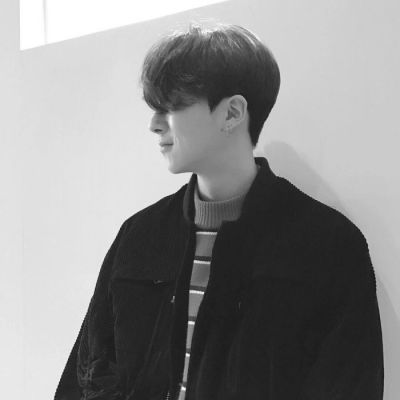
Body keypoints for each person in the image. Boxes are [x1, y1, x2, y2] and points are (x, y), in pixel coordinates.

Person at [54, 23, 384, 400]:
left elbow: (350, 386)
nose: (154, 124)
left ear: (232, 113)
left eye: (172, 105)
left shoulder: (328, 247)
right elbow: (89, 369)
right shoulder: (140, 236)